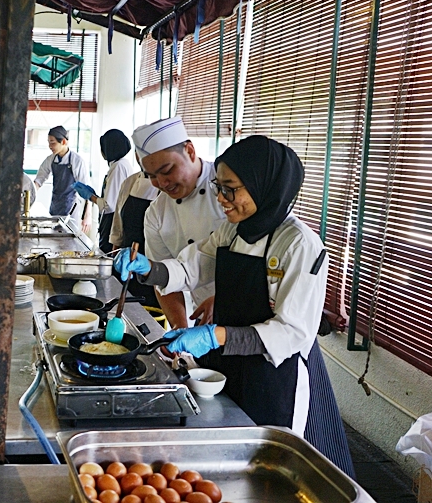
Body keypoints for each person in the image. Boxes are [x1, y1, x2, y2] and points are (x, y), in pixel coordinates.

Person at [114, 135, 355, 478]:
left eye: (231, 189)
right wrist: (149, 269)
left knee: (265, 469)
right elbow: (190, 268)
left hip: (273, 376)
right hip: (227, 363)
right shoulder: (233, 232)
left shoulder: (299, 244)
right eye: (218, 187)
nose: (222, 199)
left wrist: (215, 335)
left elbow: (291, 331)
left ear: (263, 184)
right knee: (224, 456)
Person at [134, 117, 225, 328]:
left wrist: (226, 302)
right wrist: (178, 326)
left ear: (190, 151)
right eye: (152, 176)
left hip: (258, 320)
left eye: (167, 171)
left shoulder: (230, 191)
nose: (162, 183)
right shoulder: (157, 214)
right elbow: (166, 279)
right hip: (202, 319)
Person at [72, 129, 135, 253]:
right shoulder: (120, 164)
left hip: (112, 222)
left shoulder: (118, 167)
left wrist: (91, 197)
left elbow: (109, 205)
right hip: (112, 221)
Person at [108, 159, 160, 306]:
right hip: (125, 260)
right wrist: (114, 253)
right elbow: (118, 224)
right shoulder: (129, 182)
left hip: (154, 265)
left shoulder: (166, 187)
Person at [34, 125, 92, 234]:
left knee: (69, 245)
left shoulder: (77, 161)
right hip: (55, 208)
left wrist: (87, 216)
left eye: (53, 142)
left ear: (64, 142)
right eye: (48, 142)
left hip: (71, 211)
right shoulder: (51, 159)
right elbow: (38, 180)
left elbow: (87, 190)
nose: (50, 146)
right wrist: (30, 194)